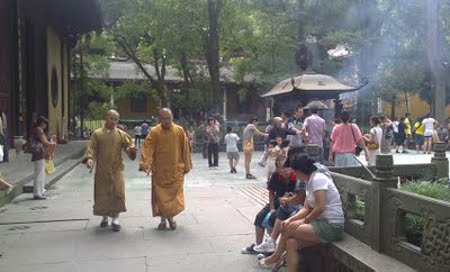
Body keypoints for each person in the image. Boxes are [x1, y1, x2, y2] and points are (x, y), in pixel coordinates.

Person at [259, 153, 344, 271]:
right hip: (318, 223)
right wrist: (291, 219)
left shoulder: (318, 179)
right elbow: (306, 208)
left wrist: (303, 221)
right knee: (291, 242)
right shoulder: (309, 181)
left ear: (301, 170)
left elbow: (320, 207)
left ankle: (276, 256)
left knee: (288, 229)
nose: (295, 173)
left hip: (331, 226)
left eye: (295, 170)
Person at [84, 110, 137, 232]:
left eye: (116, 119)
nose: (113, 121)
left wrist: (131, 150)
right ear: (106, 118)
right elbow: (91, 147)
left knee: (118, 192)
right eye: (111, 118)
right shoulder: (97, 134)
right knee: (102, 193)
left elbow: (129, 147)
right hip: (102, 169)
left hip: (117, 169)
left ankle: (115, 219)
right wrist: (89, 159)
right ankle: (104, 217)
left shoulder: (121, 134)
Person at [139, 108, 192, 230]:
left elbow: (185, 149)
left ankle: (171, 218)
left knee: (174, 197)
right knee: (161, 197)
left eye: (169, 118)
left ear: (172, 118)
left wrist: (187, 165)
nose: (167, 121)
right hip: (160, 171)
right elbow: (148, 148)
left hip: (176, 169)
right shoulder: (155, 132)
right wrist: (145, 163)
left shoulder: (179, 130)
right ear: (159, 119)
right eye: (164, 119)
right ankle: (163, 220)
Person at [241, 156, 301, 255]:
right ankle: (258, 246)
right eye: (282, 168)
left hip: (290, 204)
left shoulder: (295, 178)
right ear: (277, 169)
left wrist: (286, 200)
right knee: (260, 217)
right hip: (277, 201)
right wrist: (272, 207)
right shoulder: (275, 176)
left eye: (288, 167)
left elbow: (296, 196)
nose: (286, 170)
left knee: (273, 218)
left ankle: (270, 247)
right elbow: (271, 193)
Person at [29, 116, 56, 200]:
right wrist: (52, 143)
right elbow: (45, 142)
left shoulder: (36, 129)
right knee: (39, 173)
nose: (45, 125)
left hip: (39, 153)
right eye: (45, 123)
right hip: (39, 153)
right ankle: (38, 193)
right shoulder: (39, 130)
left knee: (40, 172)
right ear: (41, 123)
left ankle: (40, 191)